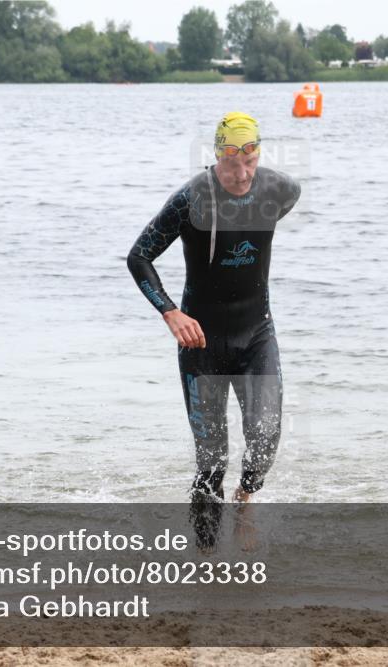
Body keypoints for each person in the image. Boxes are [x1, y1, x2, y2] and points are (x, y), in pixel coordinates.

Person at [126, 112, 301, 541]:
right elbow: (139, 257)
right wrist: (171, 312)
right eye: (230, 162)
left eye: (250, 161)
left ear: (258, 153)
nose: (241, 174)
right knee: (211, 462)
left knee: (265, 435)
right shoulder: (192, 199)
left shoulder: (281, 189)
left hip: (256, 333)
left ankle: (245, 500)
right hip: (200, 342)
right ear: (216, 155)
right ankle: (204, 565)